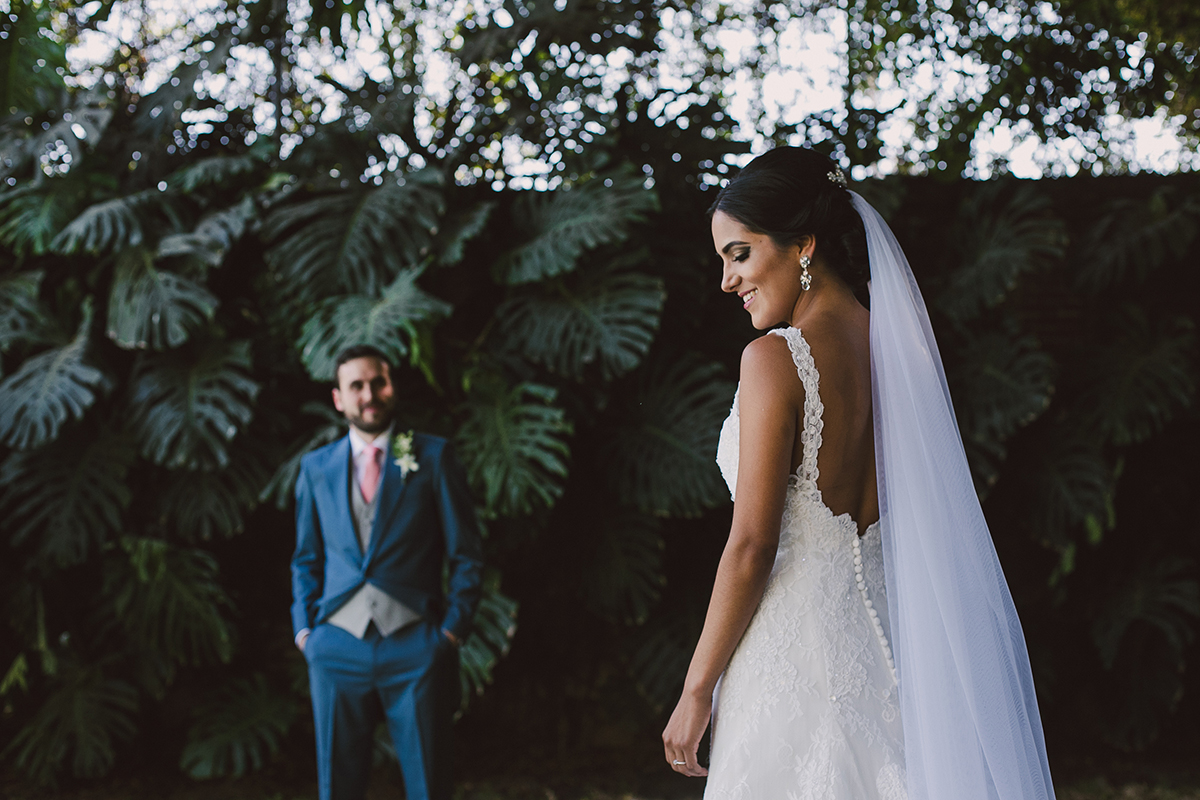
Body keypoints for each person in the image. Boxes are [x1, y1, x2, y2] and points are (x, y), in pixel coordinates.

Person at [662, 148, 1056, 800]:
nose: (727, 281)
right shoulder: (903, 354)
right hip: (891, 664)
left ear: (803, 246)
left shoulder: (772, 361)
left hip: (791, 665)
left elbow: (753, 545)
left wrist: (696, 688)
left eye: (740, 254)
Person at [291, 344, 483, 800]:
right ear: (339, 398)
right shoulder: (316, 468)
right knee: (337, 786)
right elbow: (305, 558)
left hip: (415, 645)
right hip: (335, 646)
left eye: (378, 382)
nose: (369, 394)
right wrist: (305, 633)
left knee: (429, 785)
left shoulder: (431, 457)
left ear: (392, 386)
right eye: (355, 386)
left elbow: (467, 552)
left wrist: (450, 632)